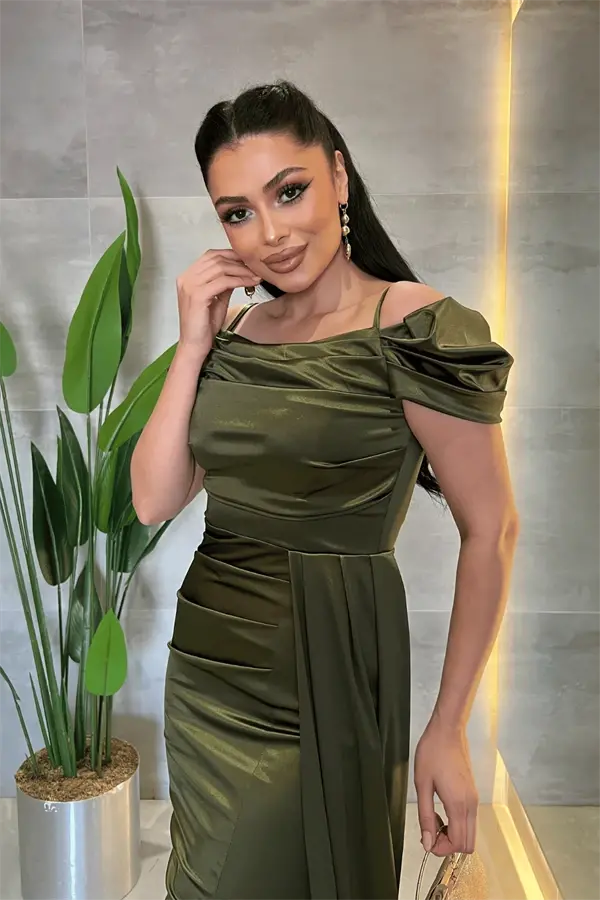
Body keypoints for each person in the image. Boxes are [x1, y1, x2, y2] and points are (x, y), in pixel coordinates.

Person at [131, 80, 519, 900]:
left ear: (339, 176)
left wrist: (448, 727)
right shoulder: (237, 333)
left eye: (290, 191)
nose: (270, 234)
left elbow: (492, 530)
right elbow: (153, 501)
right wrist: (193, 345)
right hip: (206, 673)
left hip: (327, 663)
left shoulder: (413, 328)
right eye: (238, 213)